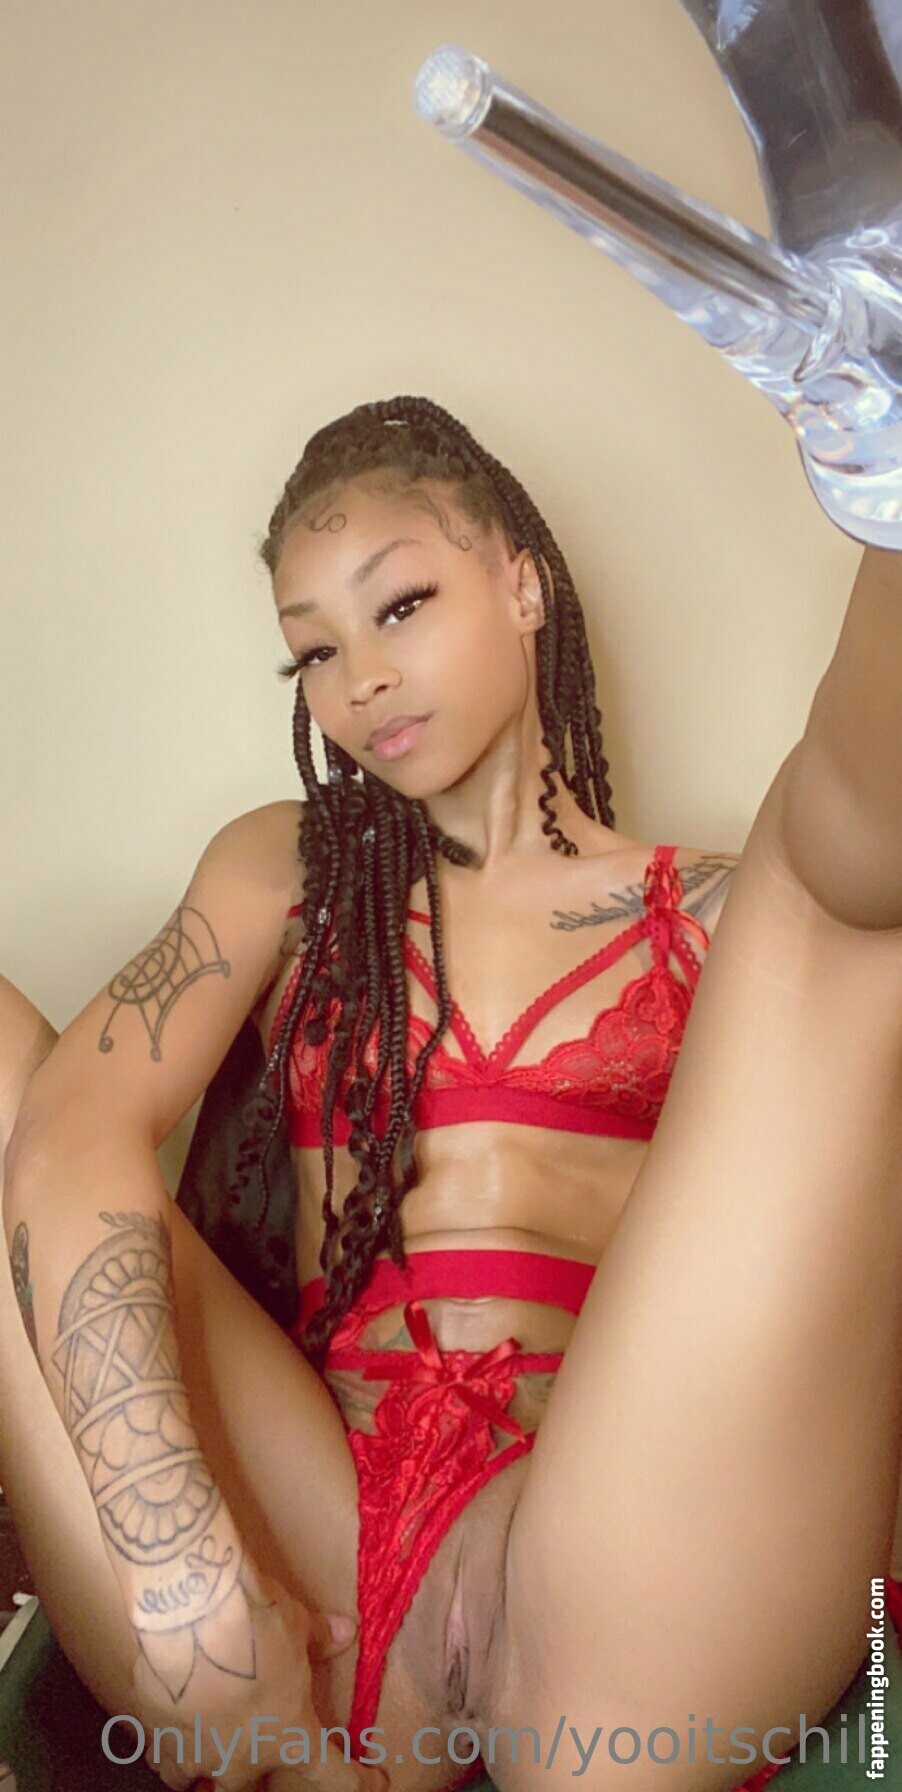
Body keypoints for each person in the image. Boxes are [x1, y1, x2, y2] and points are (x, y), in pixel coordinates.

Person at [1, 394, 901, 1792]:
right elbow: (69, 1135)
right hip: (319, 1554)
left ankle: (885, 469)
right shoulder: (293, 870)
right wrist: (179, 1573)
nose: (361, 678)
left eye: (402, 604)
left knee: (830, 914)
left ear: (522, 585)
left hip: (600, 1580)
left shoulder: (704, 912)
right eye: (315, 650)